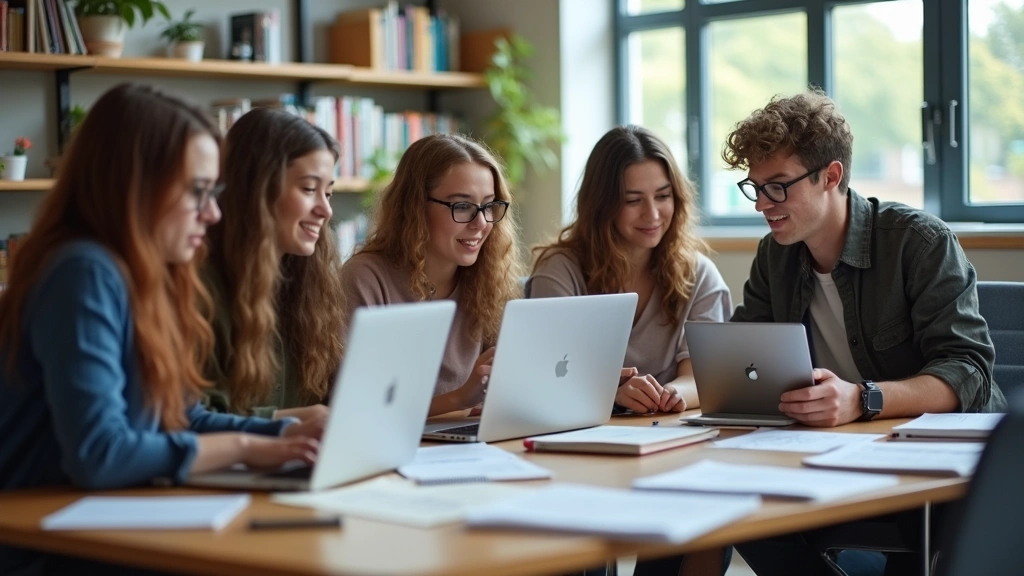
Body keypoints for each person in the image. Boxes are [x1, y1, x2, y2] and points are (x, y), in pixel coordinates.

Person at [0, 84, 320, 575]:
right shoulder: (83, 271)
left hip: (107, 525)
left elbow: (178, 417)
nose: (213, 212)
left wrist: (288, 432)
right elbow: (99, 454)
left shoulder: (145, 276)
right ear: (137, 185)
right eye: (198, 192)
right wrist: (249, 446)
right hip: (50, 545)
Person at [725, 89, 1006, 575]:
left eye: (778, 186)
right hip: (834, 456)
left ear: (830, 176)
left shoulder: (919, 243)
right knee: (729, 506)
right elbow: (744, 355)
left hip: (946, 472)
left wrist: (862, 399)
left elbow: (968, 371)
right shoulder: (776, 255)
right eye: (755, 187)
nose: (762, 205)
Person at [528, 125, 732, 416]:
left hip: (668, 434)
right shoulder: (560, 270)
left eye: (663, 196)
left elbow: (701, 377)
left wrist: (669, 395)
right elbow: (545, 376)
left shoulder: (699, 275)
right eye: (633, 201)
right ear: (602, 205)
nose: (652, 214)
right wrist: (613, 394)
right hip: (582, 436)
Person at [340, 133, 524, 417]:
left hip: (466, 448)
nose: (481, 223)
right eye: (462, 206)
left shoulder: (488, 278)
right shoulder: (365, 280)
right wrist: (461, 399)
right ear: (414, 207)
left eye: (489, 205)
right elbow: (357, 409)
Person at [202, 107, 345, 426]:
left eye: (329, 192)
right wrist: (291, 422)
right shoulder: (200, 284)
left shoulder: (312, 281)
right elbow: (191, 419)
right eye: (309, 189)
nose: (326, 209)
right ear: (257, 189)